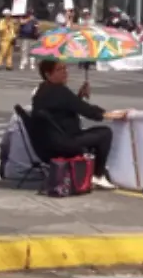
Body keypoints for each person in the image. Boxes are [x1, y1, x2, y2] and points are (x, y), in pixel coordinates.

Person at [31, 58, 127, 189]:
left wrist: (80, 95)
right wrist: (106, 115)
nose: (65, 72)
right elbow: (85, 110)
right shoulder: (59, 91)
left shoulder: (43, 90)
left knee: (94, 134)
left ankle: (92, 171)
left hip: (49, 142)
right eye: (60, 69)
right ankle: (97, 175)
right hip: (64, 143)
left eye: (65, 68)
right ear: (48, 74)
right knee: (105, 133)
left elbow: (69, 105)